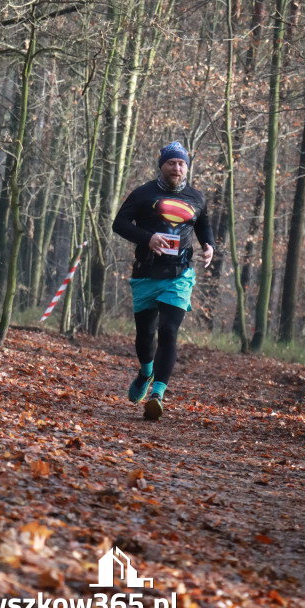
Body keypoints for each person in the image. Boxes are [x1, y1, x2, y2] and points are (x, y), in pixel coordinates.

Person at [112, 141, 214, 420]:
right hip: (146, 273)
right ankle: (146, 373)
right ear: (162, 165)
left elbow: (203, 223)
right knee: (145, 335)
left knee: (168, 331)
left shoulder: (196, 197)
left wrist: (209, 245)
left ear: (186, 168)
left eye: (182, 163)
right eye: (172, 162)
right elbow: (119, 224)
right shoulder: (144, 194)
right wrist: (148, 238)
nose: (177, 168)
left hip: (179, 275)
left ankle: (157, 394)